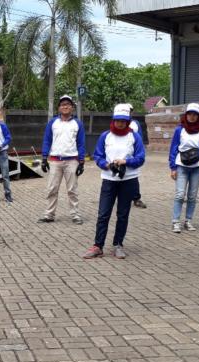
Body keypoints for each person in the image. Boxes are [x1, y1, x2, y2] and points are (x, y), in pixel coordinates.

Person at [83, 104, 146, 259]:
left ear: (128, 121)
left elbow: (141, 158)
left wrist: (126, 162)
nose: (120, 123)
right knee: (103, 214)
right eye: (118, 120)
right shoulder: (105, 136)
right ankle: (98, 246)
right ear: (113, 120)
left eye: (124, 121)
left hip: (128, 180)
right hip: (109, 179)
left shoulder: (134, 137)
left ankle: (118, 244)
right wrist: (106, 164)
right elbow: (97, 156)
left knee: (123, 214)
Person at [38, 95, 86, 224]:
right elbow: (47, 140)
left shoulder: (78, 123)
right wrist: (44, 158)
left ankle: (75, 215)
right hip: (55, 161)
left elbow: (81, 143)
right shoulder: (53, 123)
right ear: (59, 108)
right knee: (52, 188)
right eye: (63, 104)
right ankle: (49, 215)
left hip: (72, 161)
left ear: (72, 108)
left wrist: (81, 162)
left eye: (68, 104)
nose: (65, 106)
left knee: (72, 190)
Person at [168, 103, 199, 232]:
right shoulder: (180, 129)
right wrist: (173, 167)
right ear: (186, 115)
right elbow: (174, 148)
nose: (192, 116)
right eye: (189, 114)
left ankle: (188, 221)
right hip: (182, 165)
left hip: (197, 166)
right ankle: (175, 221)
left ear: (198, 116)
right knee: (179, 195)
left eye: (194, 114)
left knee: (192, 196)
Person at [126, 103, 147, 209]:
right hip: (121, 155)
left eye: (130, 110)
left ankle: (136, 198)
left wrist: (140, 153)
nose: (129, 112)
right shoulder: (118, 122)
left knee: (134, 177)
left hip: (133, 154)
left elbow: (140, 138)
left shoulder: (135, 123)